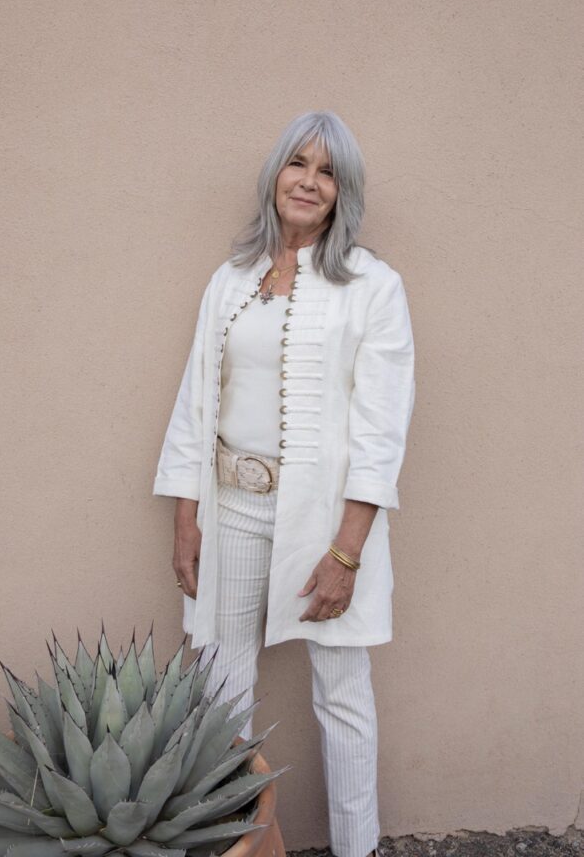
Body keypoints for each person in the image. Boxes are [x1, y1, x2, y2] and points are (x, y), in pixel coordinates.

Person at [152, 110, 416, 857]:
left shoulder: (372, 287)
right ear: (275, 175)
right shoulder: (230, 279)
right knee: (220, 685)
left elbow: (381, 432)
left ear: (343, 193)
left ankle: (357, 848)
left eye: (328, 172)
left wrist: (346, 553)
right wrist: (186, 518)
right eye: (298, 164)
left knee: (342, 691)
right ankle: (235, 844)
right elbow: (196, 402)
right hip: (231, 506)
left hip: (325, 522)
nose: (309, 181)